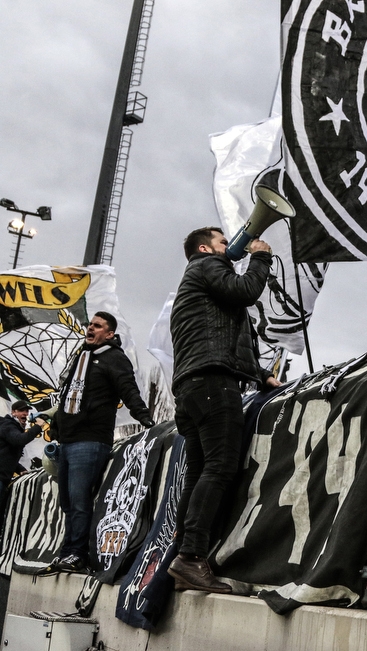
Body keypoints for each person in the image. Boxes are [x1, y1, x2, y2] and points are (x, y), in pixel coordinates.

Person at [168, 227, 280, 593]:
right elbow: (245, 290)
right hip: (214, 384)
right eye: (221, 241)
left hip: (193, 385)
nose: (229, 246)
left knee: (200, 471)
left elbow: (223, 341)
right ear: (204, 247)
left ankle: (184, 555)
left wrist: (261, 375)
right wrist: (260, 257)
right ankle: (191, 557)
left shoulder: (200, 280)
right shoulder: (206, 265)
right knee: (220, 467)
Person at [50, 311, 154, 573]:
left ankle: (77, 553)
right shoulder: (80, 358)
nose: (90, 328)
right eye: (89, 324)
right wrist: (55, 427)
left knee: (79, 499)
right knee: (68, 502)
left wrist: (145, 418)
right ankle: (67, 552)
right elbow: (67, 394)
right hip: (67, 441)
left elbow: (129, 390)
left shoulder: (114, 359)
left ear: (110, 333)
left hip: (90, 440)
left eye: (97, 326)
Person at [0, 400, 45, 498]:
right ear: (13, 412)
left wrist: (20, 469)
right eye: (21, 411)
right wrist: (37, 427)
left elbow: (6, 455)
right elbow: (20, 440)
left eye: (27, 411)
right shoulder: (8, 426)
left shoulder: (10, 427)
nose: (25, 413)